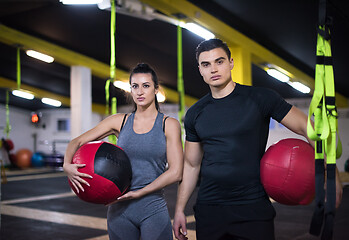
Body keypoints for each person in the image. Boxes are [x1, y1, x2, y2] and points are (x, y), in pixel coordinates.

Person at [172, 38, 343, 240]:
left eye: (219, 61)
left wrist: (332, 176)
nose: (213, 69)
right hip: (210, 210)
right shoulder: (195, 113)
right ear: (200, 69)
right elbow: (192, 165)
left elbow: (309, 129)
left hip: (252, 209)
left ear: (231, 63)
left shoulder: (261, 98)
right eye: (206, 64)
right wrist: (179, 209)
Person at [64, 63, 183, 240]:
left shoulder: (169, 124)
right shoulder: (119, 121)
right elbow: (77, 141)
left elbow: (176, 172)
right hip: (119, 211)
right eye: (135, 86)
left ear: (156, 89)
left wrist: (140, 192)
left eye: (146, 86)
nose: (140, 92)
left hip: (152, 207)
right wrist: (66, 165)